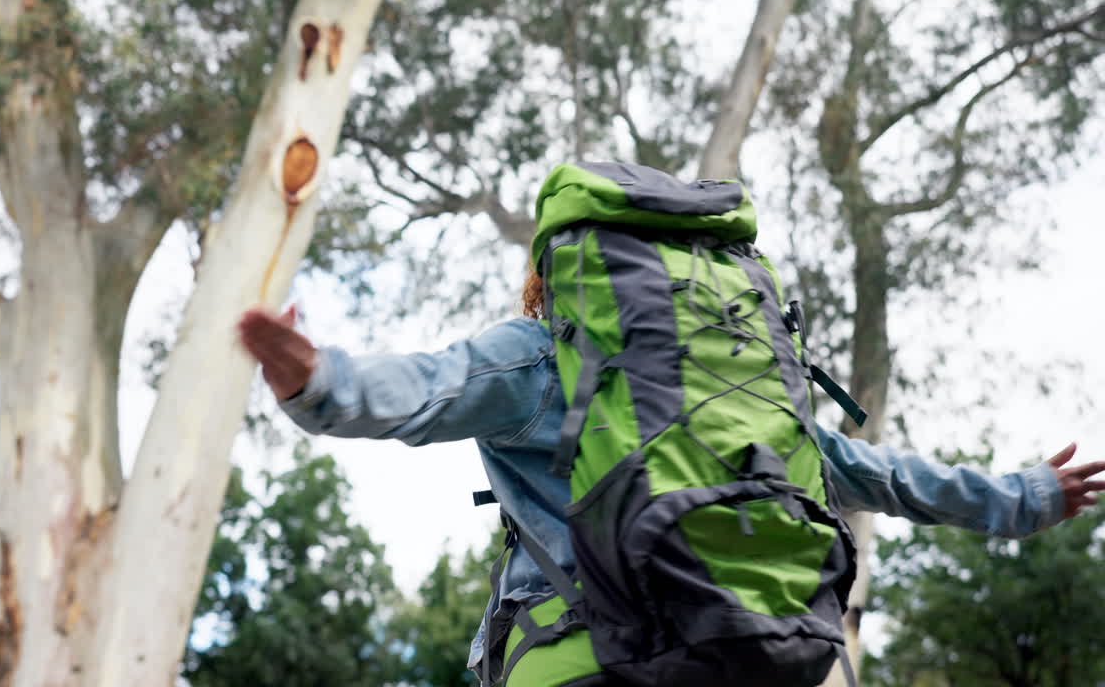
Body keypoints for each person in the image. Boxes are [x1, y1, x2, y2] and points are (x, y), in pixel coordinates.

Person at [236, 281, 1105, 686]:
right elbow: (883, 476)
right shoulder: (739, 397)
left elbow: (422, 390)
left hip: (579, 658)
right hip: (751, 659)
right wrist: (1025, 497)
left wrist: (313, 377)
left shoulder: (540, 356)